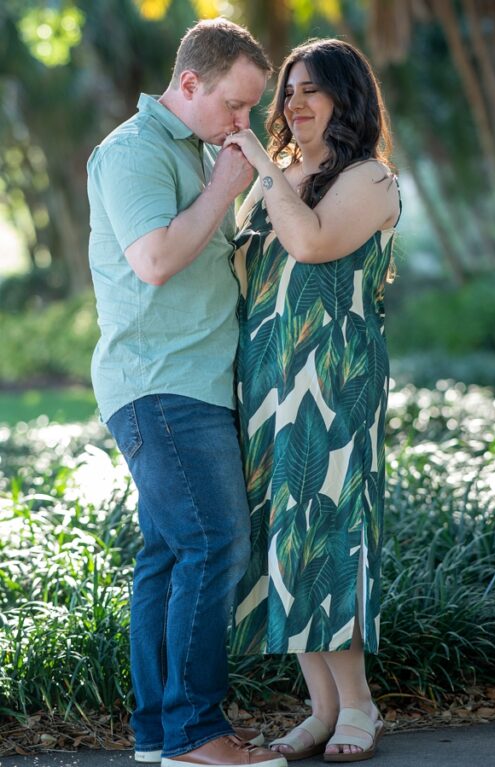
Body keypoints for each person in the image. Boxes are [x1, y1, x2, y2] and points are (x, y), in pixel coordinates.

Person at [87, 18, 289, 767]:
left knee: (170, 554)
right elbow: (156, 258)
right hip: (160, 382)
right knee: (214, 541)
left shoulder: (192, 152)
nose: (242, 124)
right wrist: (225, 185)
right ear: (191, 82)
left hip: (188, 380)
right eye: (235, 106)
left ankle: (159, 733)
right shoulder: (134, 152)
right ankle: (198, 733)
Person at [222, 37, 400, 763]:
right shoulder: (278, 174)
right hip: (264, 379)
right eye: (287, 90)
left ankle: (359, 701)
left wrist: (265, 173)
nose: (293, 103)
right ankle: (322, 707)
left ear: (347, 97)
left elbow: (314, 244)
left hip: (333, 379)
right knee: (280, 535)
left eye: (311, 90)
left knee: (328, 531)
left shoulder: (370, 178)